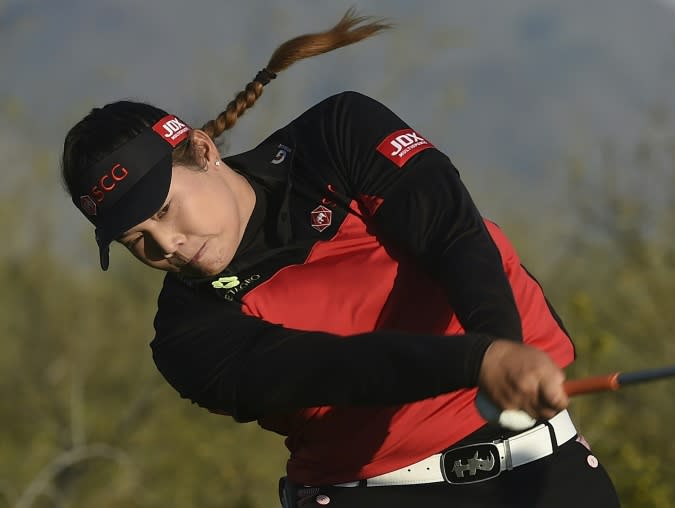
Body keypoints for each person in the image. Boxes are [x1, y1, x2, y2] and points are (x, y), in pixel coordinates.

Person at [61, 9, 620, 508]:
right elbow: (339, 368)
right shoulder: (186, 336)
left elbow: (453, 235)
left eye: (164, 209)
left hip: (542, 472)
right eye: (138, 241)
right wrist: (485, 362)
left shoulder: (337, 136)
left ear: (203, 152)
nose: (167, 245)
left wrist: (503, 348)